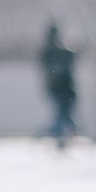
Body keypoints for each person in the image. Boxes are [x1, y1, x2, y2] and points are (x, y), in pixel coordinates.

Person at [40, 20, 79, 148]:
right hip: (61, 87)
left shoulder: (50, 52)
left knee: (62, 115)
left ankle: (63, 137)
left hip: (61, 87)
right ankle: (60, 137)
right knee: (62, 115)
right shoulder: (53, 52)